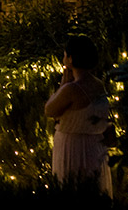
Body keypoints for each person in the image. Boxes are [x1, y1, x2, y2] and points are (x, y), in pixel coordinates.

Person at [45, 35, 112, 196]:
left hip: (73, 150)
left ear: (71, 59)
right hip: (95, 148)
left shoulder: (72, 89)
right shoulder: (99, 85)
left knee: (73, 191)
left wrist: (63, 84)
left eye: (65, 55)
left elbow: (50, 110)